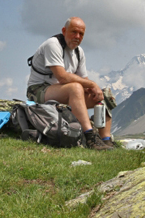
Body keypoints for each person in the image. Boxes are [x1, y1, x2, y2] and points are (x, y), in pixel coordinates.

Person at [26, 17, 114, 150]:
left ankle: (106, 140)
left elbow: (85, 82)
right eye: (74, 32)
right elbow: (62, 77)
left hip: (62, 91)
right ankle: (90, 137)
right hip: (38, 90)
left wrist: (95, 90)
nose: (77, 36)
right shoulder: (53, 44)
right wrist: (92, 84)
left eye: (81, 34)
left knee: (103, 95)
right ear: (64, 30)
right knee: (75, 88)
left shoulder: (79, 52)